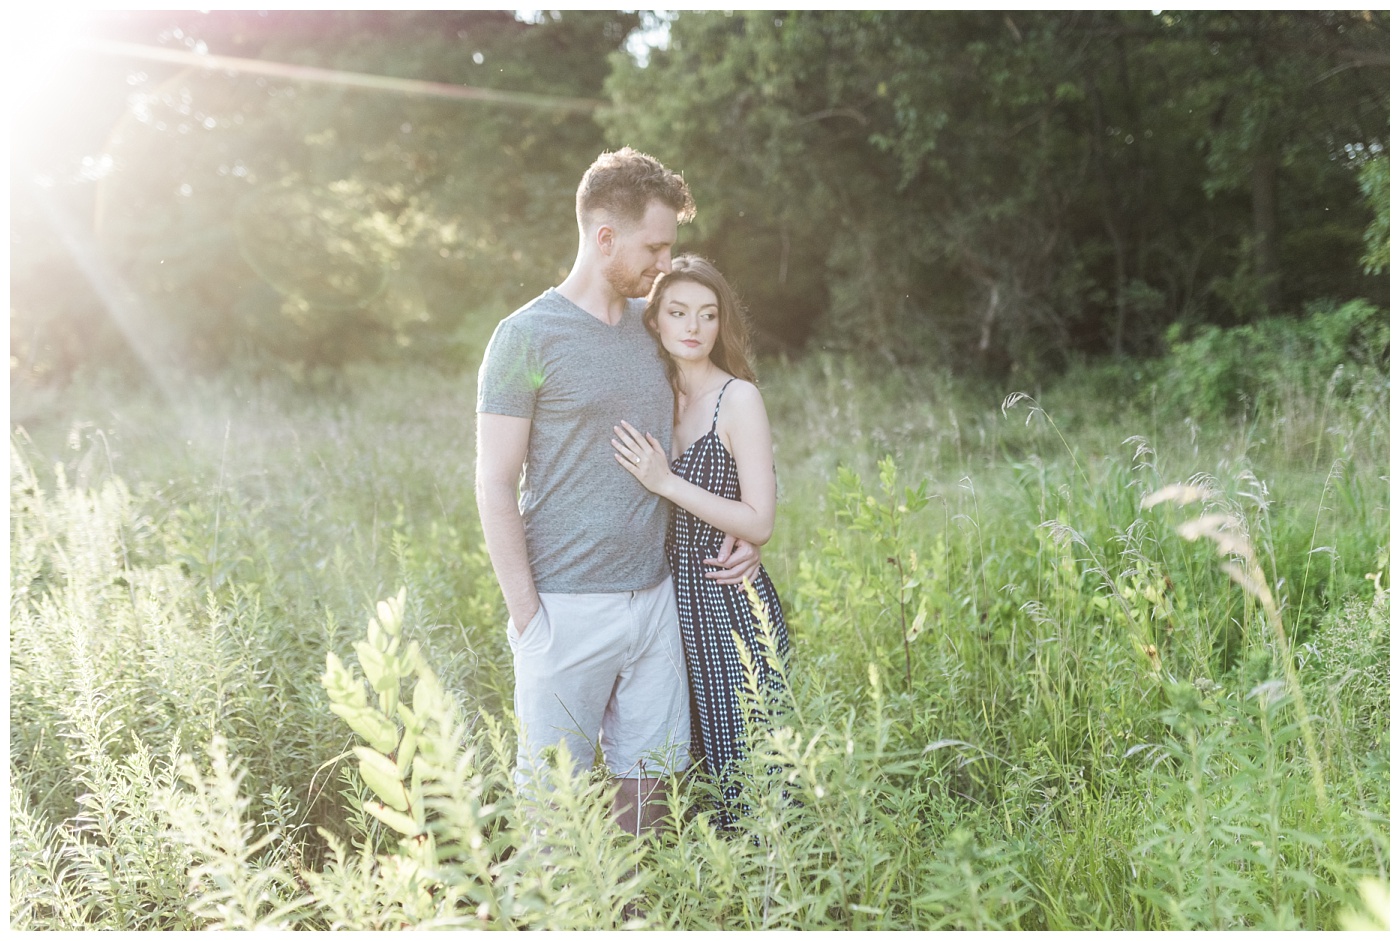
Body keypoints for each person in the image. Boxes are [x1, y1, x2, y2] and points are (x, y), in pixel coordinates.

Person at [475, 148, 762, 838]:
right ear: (605, 238)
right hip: (564, 608)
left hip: (658, 598)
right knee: (555, 809)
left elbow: (719, 415)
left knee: (650, 794)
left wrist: (746, 528)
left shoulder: (655, 327)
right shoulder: (523, 338)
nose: (666, 263)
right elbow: (492, 479)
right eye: (655, 246)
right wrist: (528, 620)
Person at [610, 254, 791, 831]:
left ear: (722, 324)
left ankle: (769, 905)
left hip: (726, 599)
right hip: (667, 603)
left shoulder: (737, 399)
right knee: (679, 769)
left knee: (750, 769)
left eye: (708, 315)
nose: (693, 327)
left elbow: (759, 520)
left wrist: (667, 482)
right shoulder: (653, 393)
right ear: (655, 320)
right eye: (678, 312)